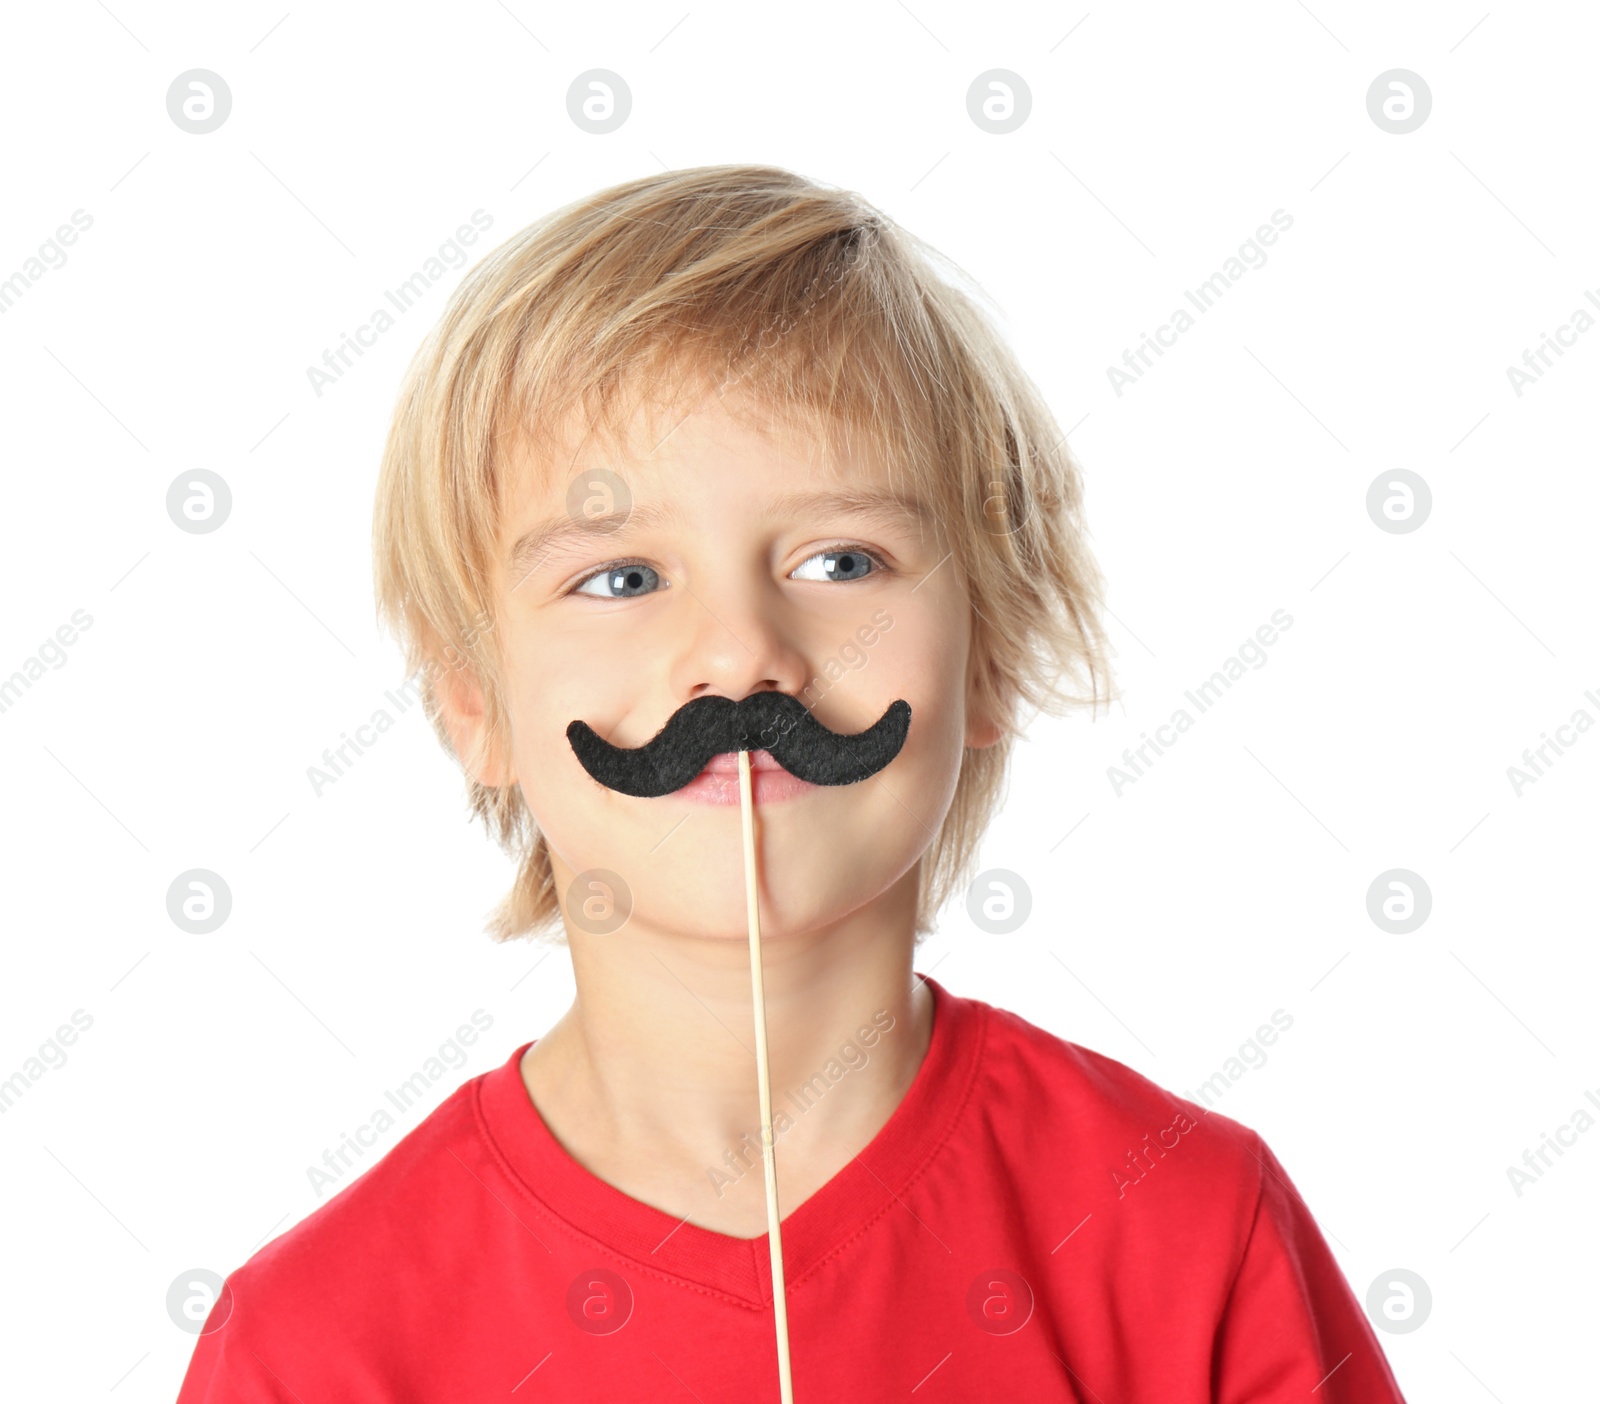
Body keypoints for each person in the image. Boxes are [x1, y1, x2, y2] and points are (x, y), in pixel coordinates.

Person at [176, 164, 1407, 1401]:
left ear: (990, 654)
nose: (740, 653)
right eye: (620, 577)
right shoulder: (315, 1342)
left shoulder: (1185, 1234)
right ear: (474, 703)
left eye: (839, 558)